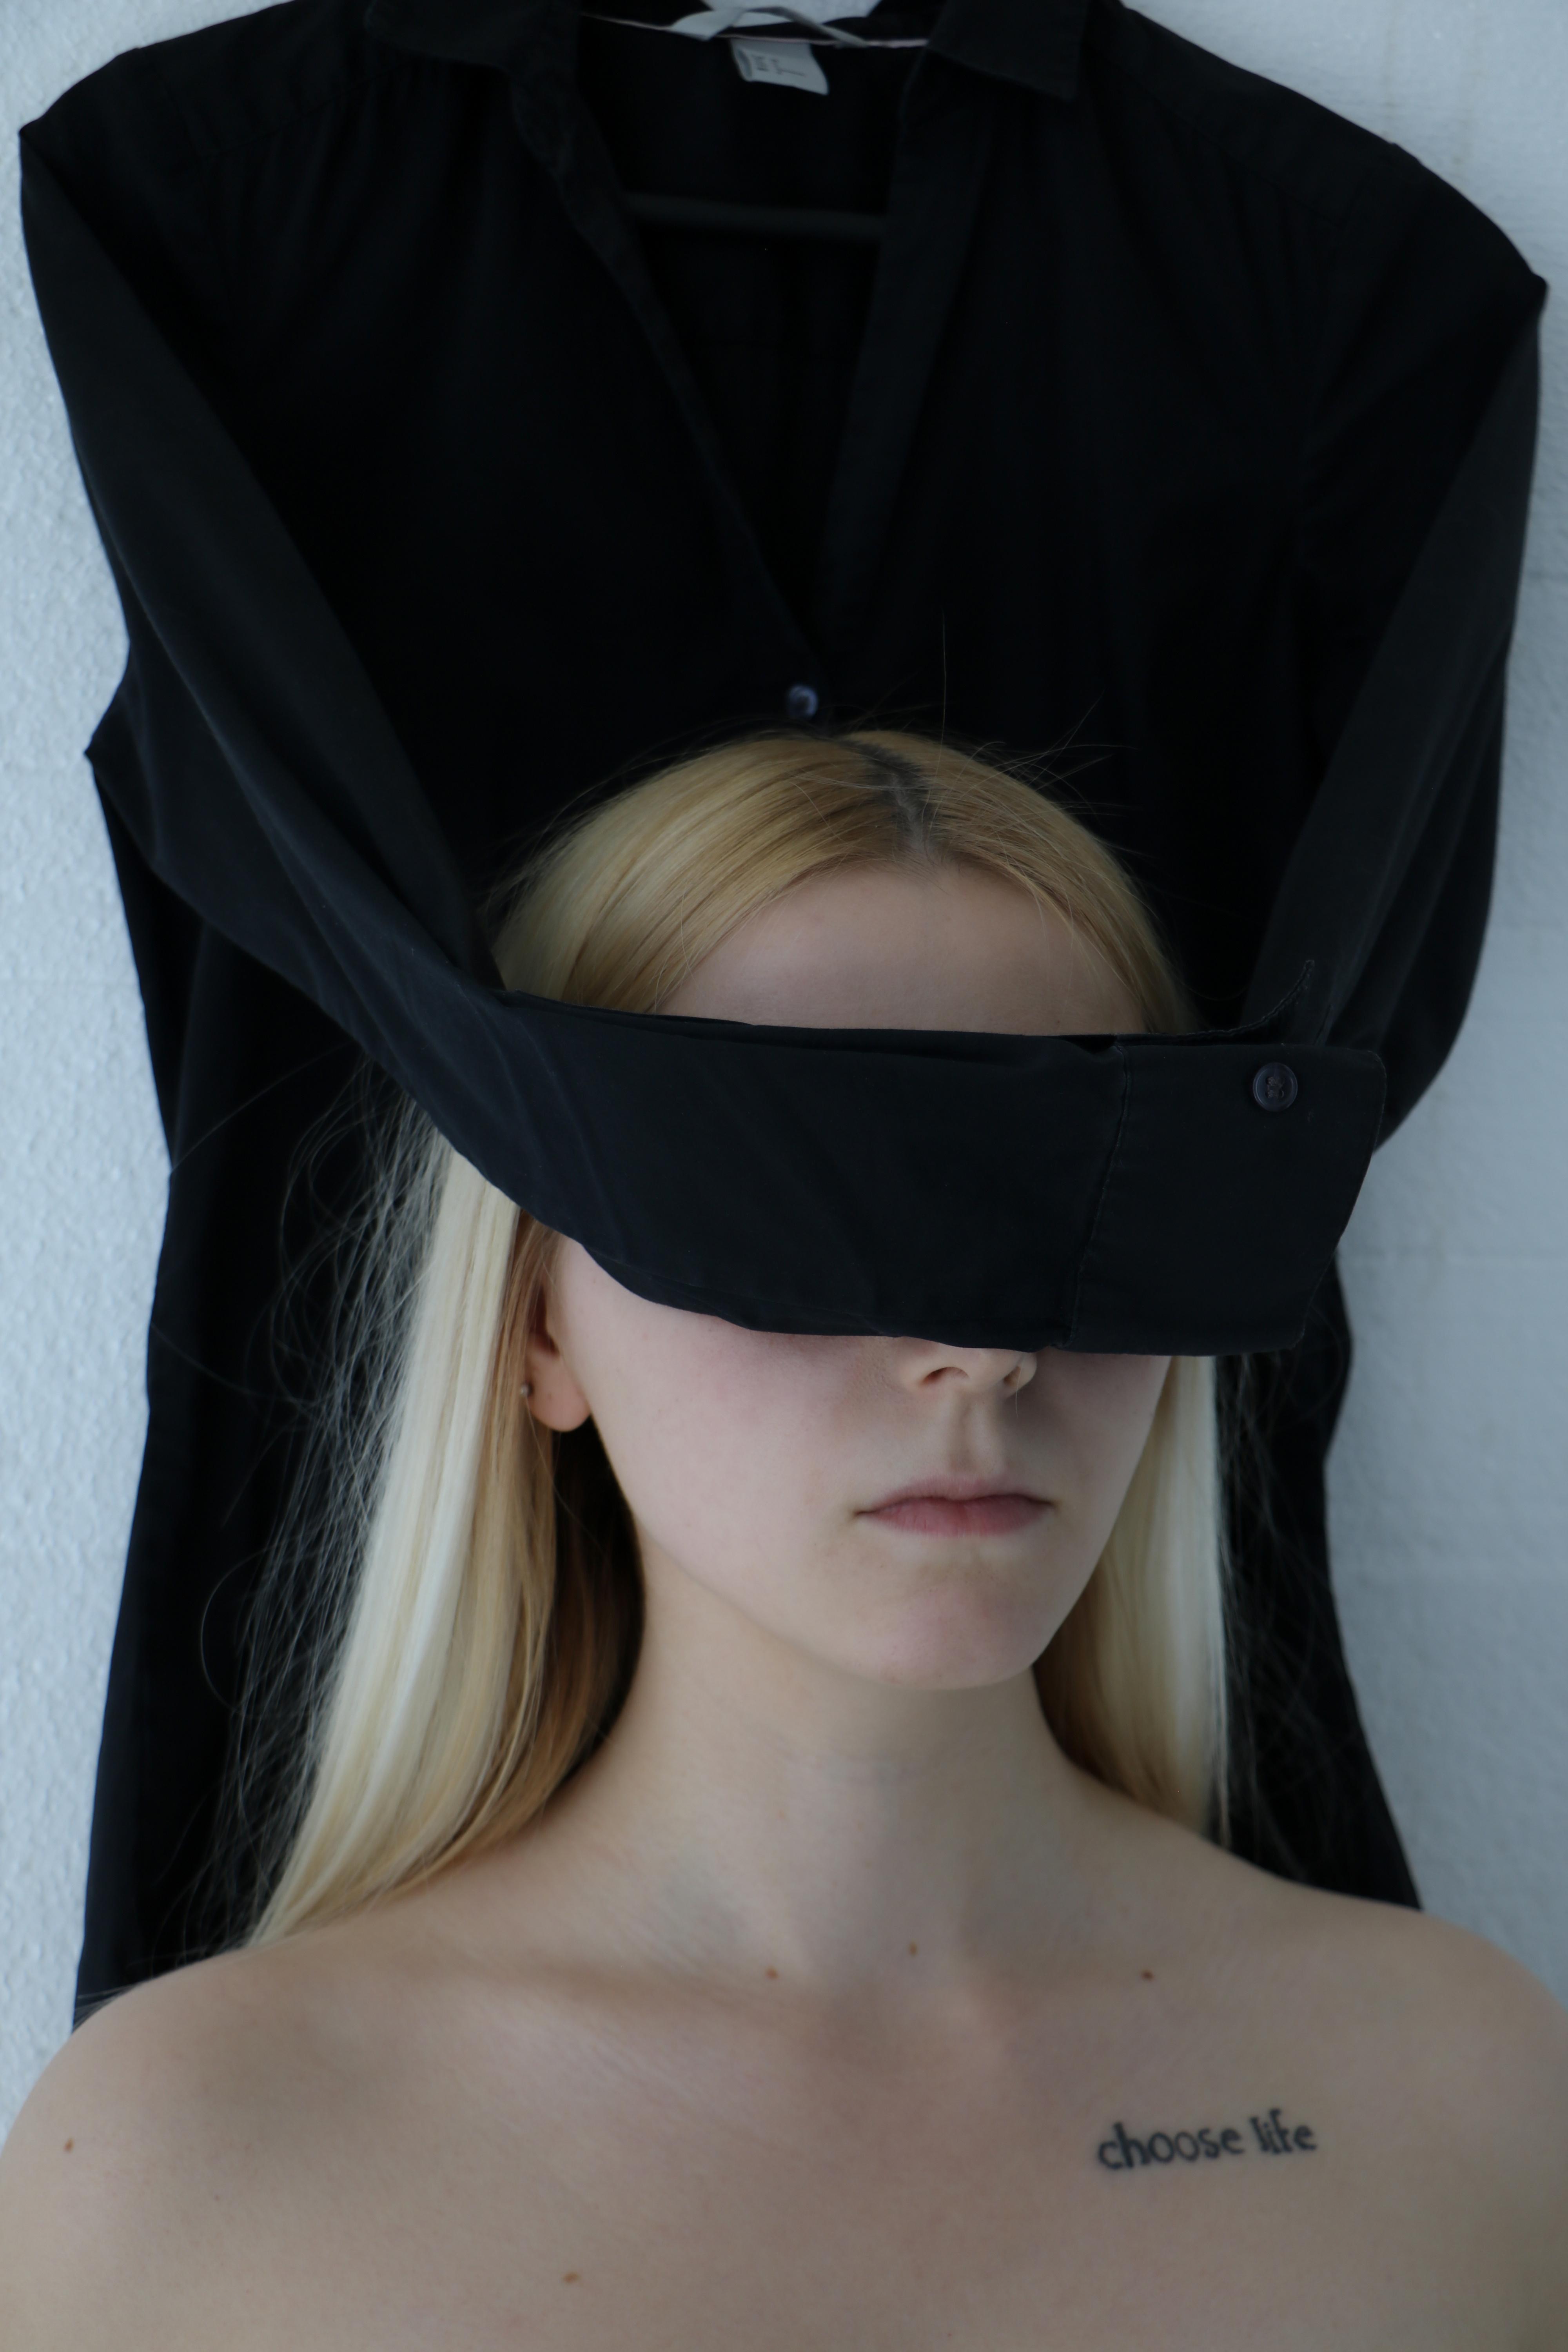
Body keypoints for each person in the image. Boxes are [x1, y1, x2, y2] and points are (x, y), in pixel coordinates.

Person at [2, 729, 1564, 2346]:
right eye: (803, 1203)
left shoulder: (1469, 2104)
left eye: (1077, 1196)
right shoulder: (181, 2169)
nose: (978, 1353)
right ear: (539, 1320)